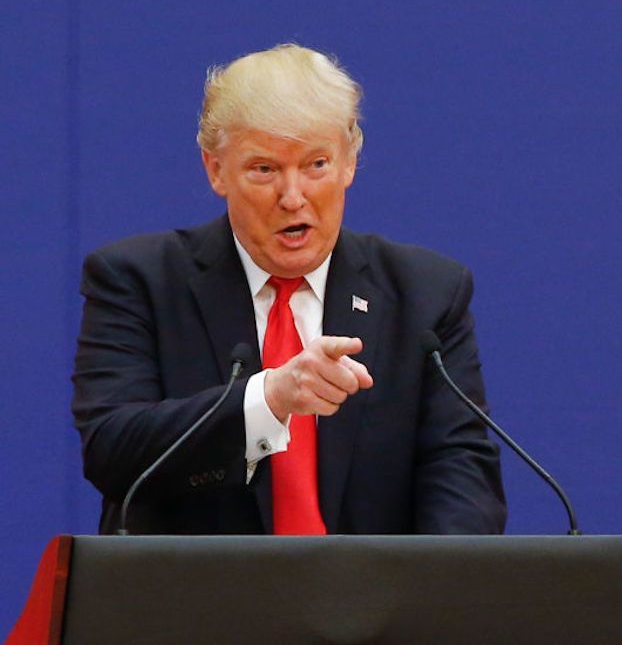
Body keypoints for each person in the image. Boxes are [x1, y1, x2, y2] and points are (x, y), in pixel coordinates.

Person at [70, 44, 506, 535]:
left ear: (349, 162)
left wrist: (432, 580)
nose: (293, 197)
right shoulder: (139, 281)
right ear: (216, 170)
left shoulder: (426, 293)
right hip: (198, 584)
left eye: (316, 164)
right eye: (265, 169)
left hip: (373, 586)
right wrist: (269, 399)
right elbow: (113, 452)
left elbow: (461, 471)